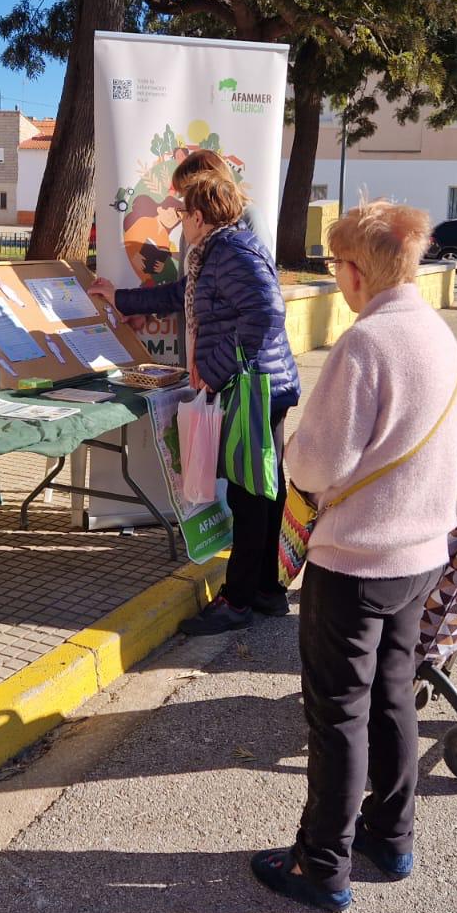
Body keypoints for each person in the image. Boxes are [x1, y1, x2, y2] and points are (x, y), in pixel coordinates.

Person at [250, 202, 457, 913]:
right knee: (392, 695)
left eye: (334, 264)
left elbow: (316, 464)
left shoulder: (364, 344)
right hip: (419, 552)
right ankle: (391, 835)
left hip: (357, 556)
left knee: (337, 713)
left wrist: (292, 455)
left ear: (353, 270)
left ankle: (322, 865)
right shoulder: (437, 332)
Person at [90, 172, 298, 635]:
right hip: (258, 384)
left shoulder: (231, 252)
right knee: (261, 489)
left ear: (199, 216)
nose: (180, 222)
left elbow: (267, 312)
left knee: (250, 494)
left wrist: (219, 366)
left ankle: (238, 600)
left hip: (254, 388)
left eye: (183, 213)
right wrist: (119, 297)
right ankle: (266, 590)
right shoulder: (216, 252)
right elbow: (178, 293)